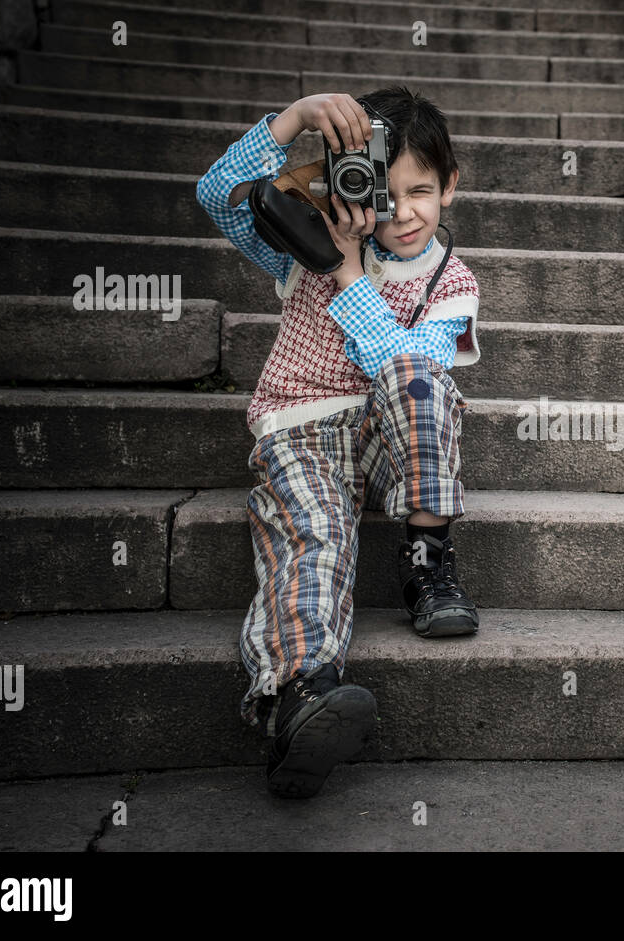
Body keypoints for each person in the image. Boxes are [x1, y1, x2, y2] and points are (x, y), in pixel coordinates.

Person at [195, 85, 482, 798]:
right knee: (317, 534)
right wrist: (293, 120)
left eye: (421, 190)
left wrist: (348, 272)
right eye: (382, 190)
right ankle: (303, 696)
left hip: (391, 441)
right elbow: (215, 196)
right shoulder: (305, 235)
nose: (404, 211)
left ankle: (426, 562)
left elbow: (403, 369)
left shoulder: (453, 284)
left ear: (450, 187)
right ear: (344, 181)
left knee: (418, 374)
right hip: (303, 427)